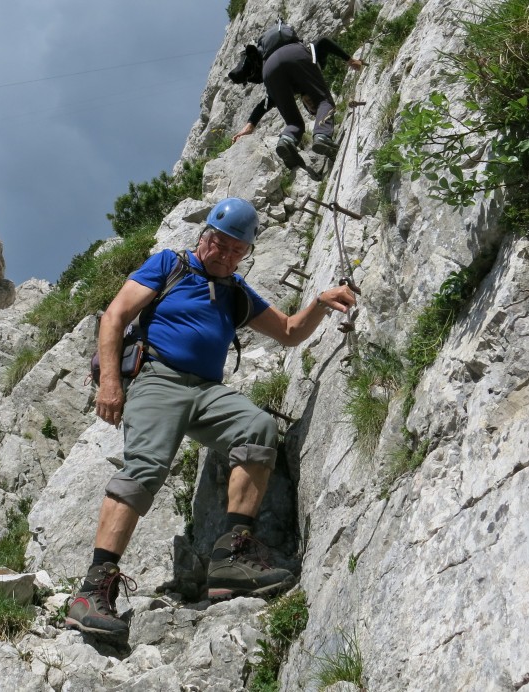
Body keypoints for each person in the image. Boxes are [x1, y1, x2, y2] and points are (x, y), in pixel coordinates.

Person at [66, 197, 357, 636]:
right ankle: (94, 588)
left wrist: (319, 300)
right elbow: (115, 316)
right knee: (144, 469)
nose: (223, 254)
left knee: (258, 427)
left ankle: (231, 558)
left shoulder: (237, 291)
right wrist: (110, 382)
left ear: (245, 254)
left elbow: (290, 333)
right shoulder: (170, 265)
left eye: (235, 249)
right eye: (217, 243)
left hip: (206, 390)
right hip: (158, 377)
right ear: (203, 238)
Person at [228, 33, 364, 168]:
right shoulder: (313, 69)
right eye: (314, 108)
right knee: (325, 101)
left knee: (294, 122)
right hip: (294, 53)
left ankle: (286, 141)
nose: (312, 106)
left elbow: (263, 105)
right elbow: (323, 41)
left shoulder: (292, 87)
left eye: (312, 110)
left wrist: (249, 126)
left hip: (269, 69)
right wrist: (350, 60)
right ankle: (322, 135)